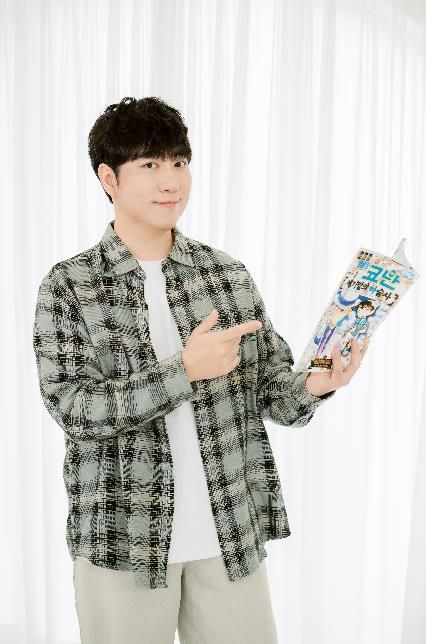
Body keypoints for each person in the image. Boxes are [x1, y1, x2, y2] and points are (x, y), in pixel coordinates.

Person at [32, 96, 370, 644]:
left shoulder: (225, 275)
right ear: (108, 178)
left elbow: (273, 393)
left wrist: (317, 384)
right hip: (124, 539)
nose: (171, 181)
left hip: (229, 531)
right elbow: (75, 410)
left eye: (179, 162)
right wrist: (183, 371)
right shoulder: (69, 286)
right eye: (149, 164)